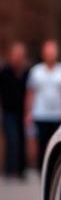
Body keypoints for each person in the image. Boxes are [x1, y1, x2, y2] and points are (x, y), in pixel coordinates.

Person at [25, 40, 61, 170]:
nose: (51, 54)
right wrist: (28, 112)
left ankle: (54, 168)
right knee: (42, 144)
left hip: (57, 114)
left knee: (56, 144)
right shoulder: (36, 71)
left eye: (53, 52)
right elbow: (30, 93)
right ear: (43, 54)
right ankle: (41, 169)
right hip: (40, 113)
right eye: (48, 52)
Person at [0, 41, 29, 179]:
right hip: (8, 111)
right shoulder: (5, 71)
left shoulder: (27, 72)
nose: (18, 57)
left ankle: (20, 169)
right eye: (16, 54)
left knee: (22, 139)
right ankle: (10, 169)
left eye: (20, 55)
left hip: (22, 111)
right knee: (11, 139)